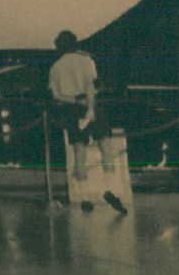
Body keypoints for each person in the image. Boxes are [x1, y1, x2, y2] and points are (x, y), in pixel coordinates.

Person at [48, 31, 127, 215]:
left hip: (71, 110)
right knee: (106, 148)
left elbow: (56, 96)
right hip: (92, 107)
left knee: (79, 153)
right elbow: (91, 87)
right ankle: (110, 190)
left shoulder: (56, 67)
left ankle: (84, 198)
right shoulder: (86, 61)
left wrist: (76, 102)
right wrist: (90, 109)